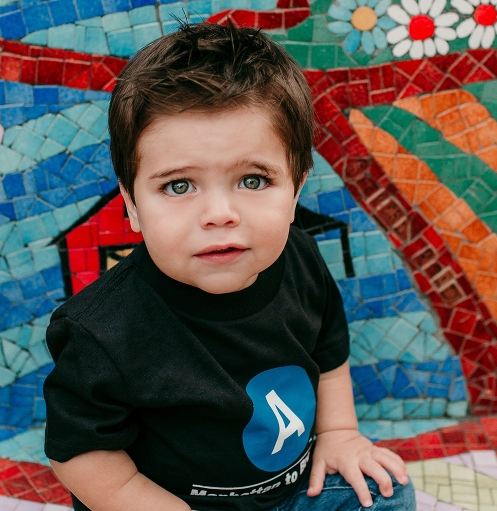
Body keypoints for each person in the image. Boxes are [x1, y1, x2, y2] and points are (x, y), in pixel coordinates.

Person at [43, 20, 415, 511]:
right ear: (131, 202)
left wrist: (341, 434)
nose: (220, 214)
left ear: (297, 188)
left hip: (294, 494)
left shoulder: (301, 258)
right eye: (179, 186)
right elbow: (81, 456)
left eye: (254, 181)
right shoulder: (102, 331)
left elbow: (328, 354)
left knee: (387, 493)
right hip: (161, 503)